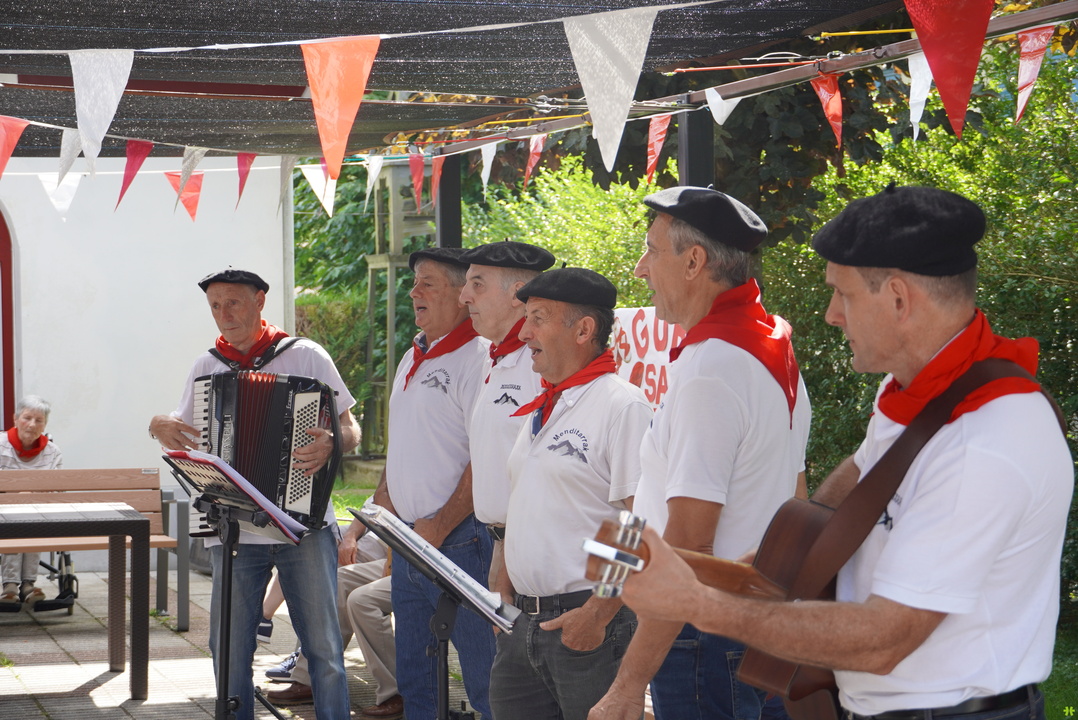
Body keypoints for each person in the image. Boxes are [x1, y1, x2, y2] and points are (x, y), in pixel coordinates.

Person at [610, 185, 1072, 720]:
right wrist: (783, 554)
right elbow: (867, 470)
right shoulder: (919, 391)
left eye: (843, 295)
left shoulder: (984, 439)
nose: (831, 315)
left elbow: (884, 639)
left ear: (898, 299)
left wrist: (700, 604)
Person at [590, 187, 811, 720]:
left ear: (694, 262)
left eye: (651, 251)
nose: (640, 269)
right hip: (748, 619)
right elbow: (796, 497)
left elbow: (690, 543)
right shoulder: (767, 342)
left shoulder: (711, 368)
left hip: (703, 632)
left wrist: (627, 685)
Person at [148, 268, 361, 720]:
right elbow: (179, 433)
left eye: (233, 303)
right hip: (235, 529)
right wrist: (157, 425)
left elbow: (350, 427)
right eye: (215, 306)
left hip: (302, 524)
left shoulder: (305, 356)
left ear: (260, 301)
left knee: (323, 649)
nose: (223, 315)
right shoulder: (207, 367)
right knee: (227, 647)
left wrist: (333, 442)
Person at [489, 267, 653, 720]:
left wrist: (597, 614)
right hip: (523, 625)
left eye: (538, 318)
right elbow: (525, 504)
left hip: (584, 626)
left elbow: (638, 523)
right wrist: (503, 589)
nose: (524, 333)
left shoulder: (622, 405)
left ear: (583, 330)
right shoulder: (548, 404)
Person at [340, 246, 495, 720]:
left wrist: (439, 525)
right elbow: (403, 448)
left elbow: (484, 458)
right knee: (416, 676)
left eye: (428, 283)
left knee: (483, 676)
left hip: (461, 539)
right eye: (414, 283)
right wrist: (383, 523)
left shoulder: (480, 357)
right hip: (409, 539)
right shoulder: (413, 355)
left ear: (462, 293)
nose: (414, 292)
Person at [457, 240, 555, 589]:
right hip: (499, 541)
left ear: (517, 294)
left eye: (477, 284)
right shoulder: (495, 357)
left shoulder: (540, 364)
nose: (464, 297)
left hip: (532, 546)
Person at [266, 528, 402, 719]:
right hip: (392, 552)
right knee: (337, 580)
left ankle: (396, 692)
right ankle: (311, 679)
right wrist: (351, 537)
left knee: (361, 600)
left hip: (416, 558)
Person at [0, 395, 64, 608]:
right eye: (27, 418)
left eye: (39, 420)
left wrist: (25, 495)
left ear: (45, 425)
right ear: (15, 419)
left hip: (38, 511)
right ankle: (12, 584)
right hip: (4, 511)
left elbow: (56, 489)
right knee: (14, 519)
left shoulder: (52, 452)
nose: (32, 424)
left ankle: (26, 584)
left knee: (33, 519)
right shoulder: (1, 445)